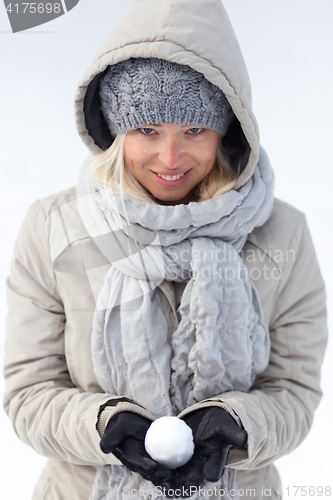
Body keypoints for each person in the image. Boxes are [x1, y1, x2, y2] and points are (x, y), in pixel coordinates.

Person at [3, 1, 327, 499]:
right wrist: (103, 424)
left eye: (194, 130)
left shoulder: (282, 232)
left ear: (226, 130)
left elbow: (294, 393)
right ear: (115, 132)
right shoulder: (54, 228)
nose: (170, 159)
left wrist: (241, 425)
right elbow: (27, 392)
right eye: (147, 130)